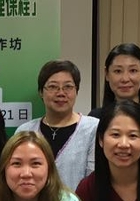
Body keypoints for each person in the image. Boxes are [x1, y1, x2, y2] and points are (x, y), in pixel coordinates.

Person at [16, 60, 98, 190]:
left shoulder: (93, 128)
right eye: (53, 87)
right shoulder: (25, 130)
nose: (61, 93)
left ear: (77, 91)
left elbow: (93, 180)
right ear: (41, 92)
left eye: (68, 87)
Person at [90, 43, 140, 117]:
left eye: (133, 70)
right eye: (118, 71)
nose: (125, 79)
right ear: (106, 74)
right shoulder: (95, 119)